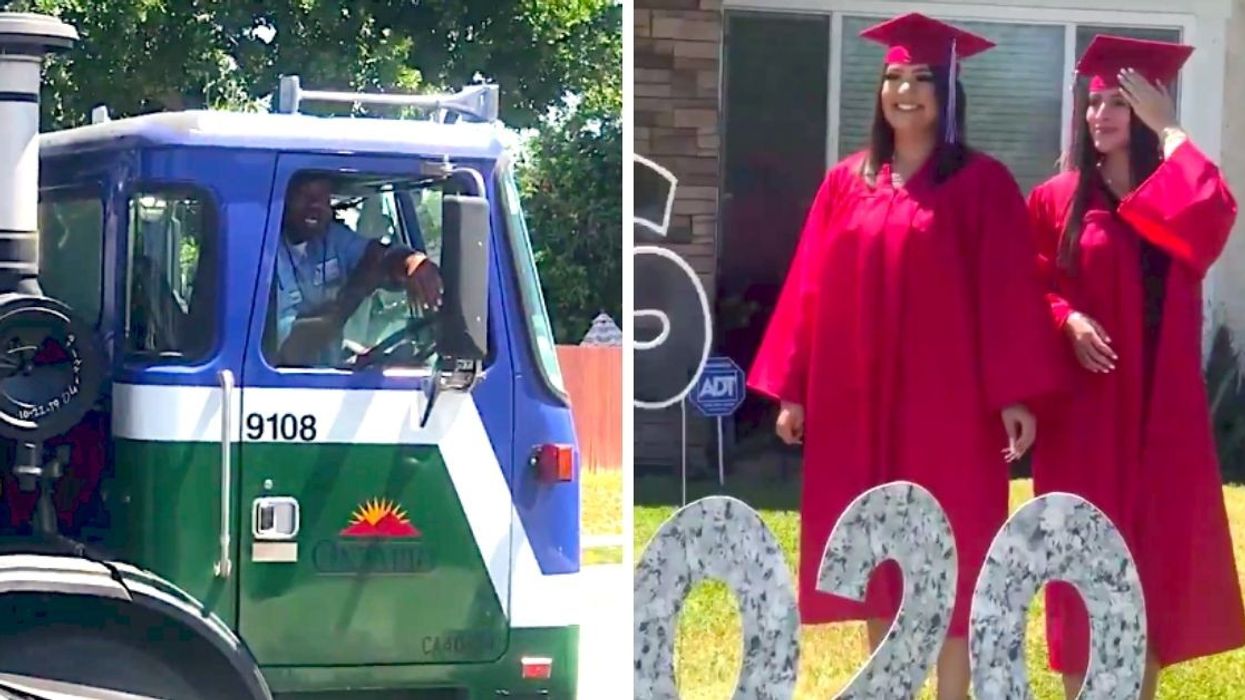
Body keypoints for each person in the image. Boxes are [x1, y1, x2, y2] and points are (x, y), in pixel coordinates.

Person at [746, 13, 1067, 699]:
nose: (904, 91)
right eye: (892, 78)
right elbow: (809, 284)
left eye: (922, 78)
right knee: (875, 550)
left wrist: (1012, 392)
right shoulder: (846, 183)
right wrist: (794, 387)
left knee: (951, 548)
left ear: (947, 92)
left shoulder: (981, 184)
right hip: (860, 402)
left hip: (945, 408)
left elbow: (1008, 292)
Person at [1026, 35, 1245, 699]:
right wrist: (1063, 317)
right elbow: (1022, 284)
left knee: (1150, 560)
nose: (1100, 114)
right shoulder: (1055, 198)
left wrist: (1172, 130)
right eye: (1093, 102)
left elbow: (1215, 211)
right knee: (1080, 556)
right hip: (1085, 415)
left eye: (1119, 102)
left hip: (1161, 412)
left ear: (1147, 109)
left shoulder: (1171, 193)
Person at [272, 174, 443, 366]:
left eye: (323, 198)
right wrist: (354, 293)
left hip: (329, 377)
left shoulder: (330, 237)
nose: (315, 205)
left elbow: (376, 256)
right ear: (282, 198)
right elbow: (292, 349)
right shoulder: (265, 251)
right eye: (304, 196)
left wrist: (411, 261)